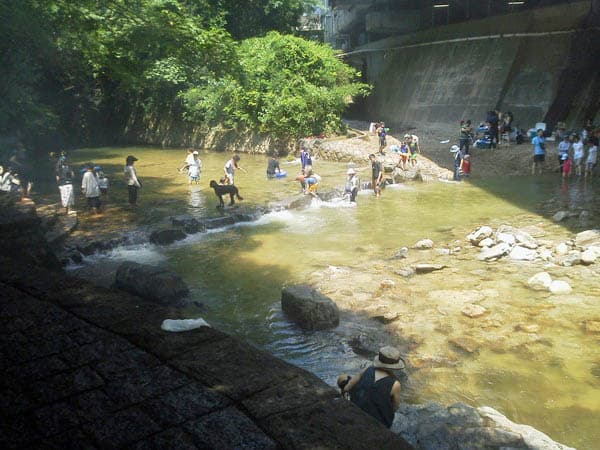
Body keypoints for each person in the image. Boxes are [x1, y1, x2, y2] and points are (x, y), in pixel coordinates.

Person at [337, 346, 404, 429]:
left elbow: (349, 386)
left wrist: (344, 392)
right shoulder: (395, 384)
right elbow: (395, 407)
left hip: (356, 408)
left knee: (343, 378)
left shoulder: (368, 369)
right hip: (379, 422)